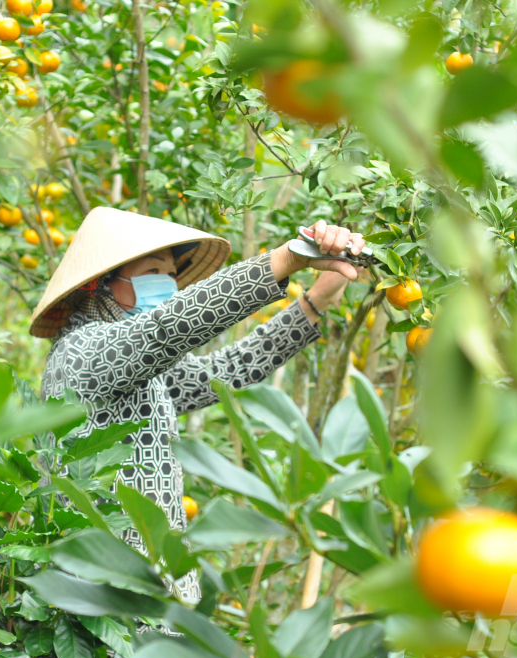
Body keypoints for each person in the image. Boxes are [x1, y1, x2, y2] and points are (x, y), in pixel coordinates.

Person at [33, 207, 364, 601]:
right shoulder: (83, 352)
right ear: (101, 284)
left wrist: (313, 302)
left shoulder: (139, 370)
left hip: (144, 601)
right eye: (155, 272)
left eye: (172, 275)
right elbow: (170, 327)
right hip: (105, 606)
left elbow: (223, 372)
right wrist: (289, 258)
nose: (170, 287)